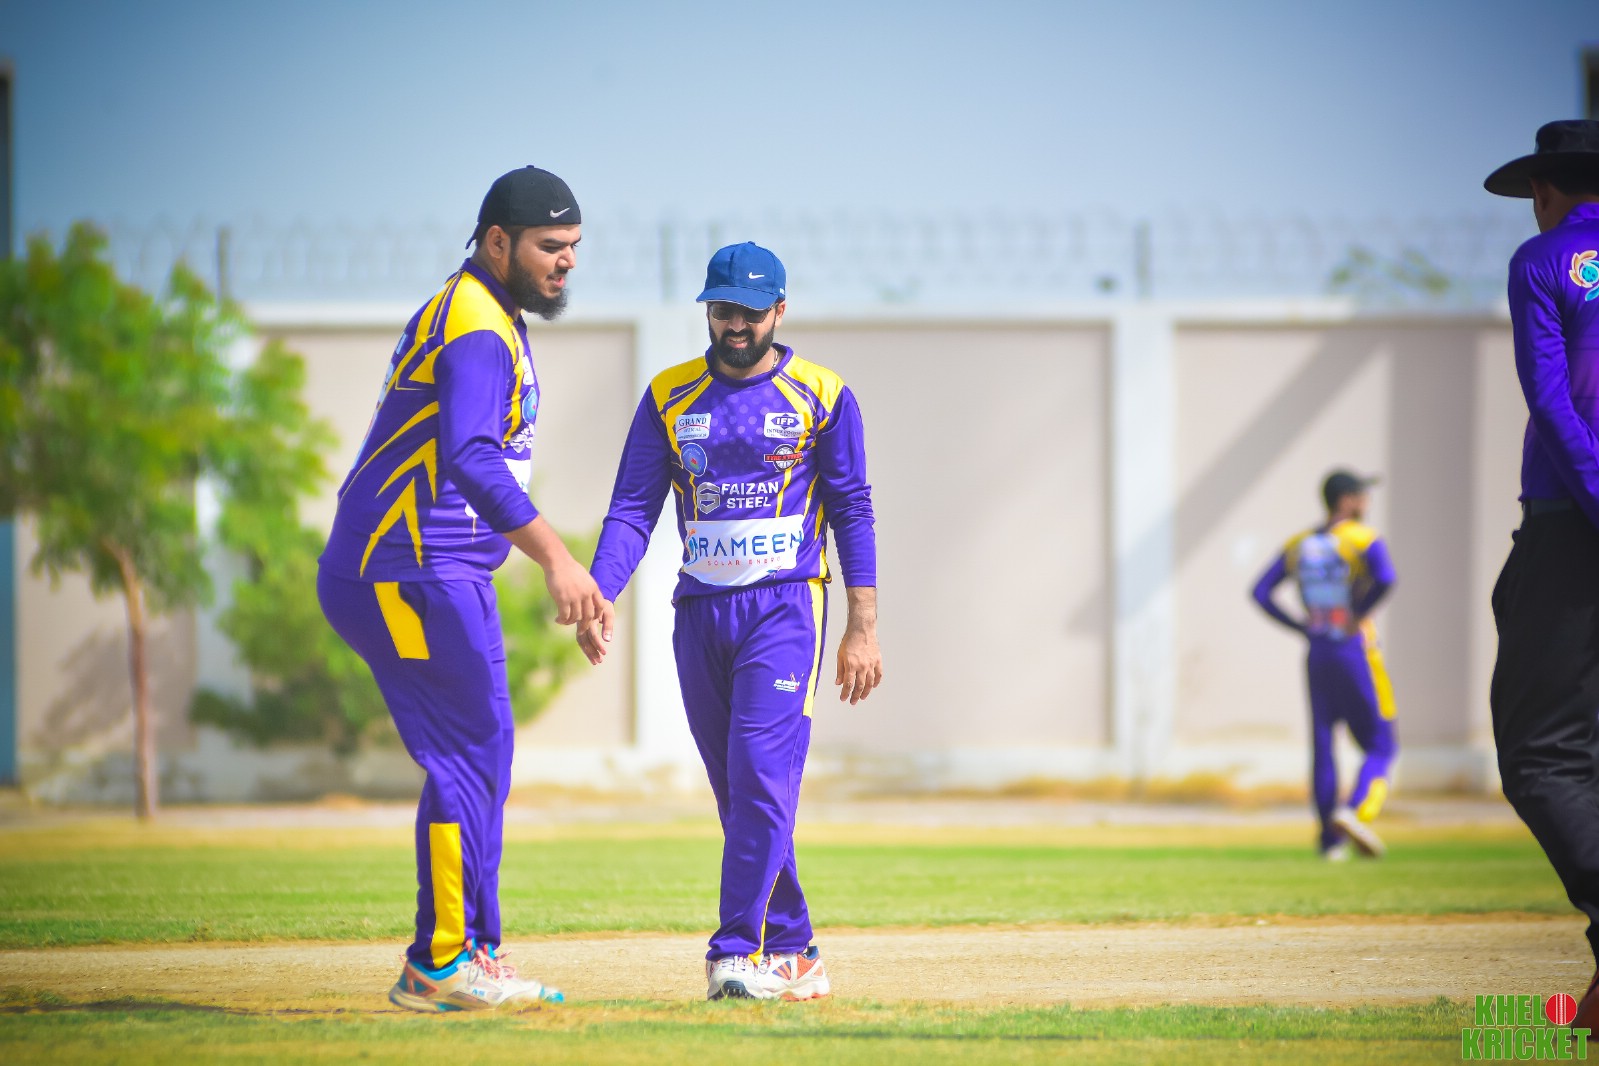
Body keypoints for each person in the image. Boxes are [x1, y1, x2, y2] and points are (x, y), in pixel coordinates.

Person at [317, 166, 609, 1011]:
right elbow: (473, 457)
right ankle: (440, 962)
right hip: (403, 570)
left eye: (574, 247)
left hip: (443, 572)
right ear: (497, 241)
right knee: (463, 756)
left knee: (485, 752)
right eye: (550, 246)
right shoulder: (476, 321)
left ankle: (473, 951)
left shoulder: (487, 313)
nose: (566, 261)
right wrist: (557, 560)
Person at [576, 241, 882, 1001]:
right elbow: (632, 507)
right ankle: (795, 950)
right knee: (739, 793)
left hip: (786, 607)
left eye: (750, 311)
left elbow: (852, 508)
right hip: (700, 612)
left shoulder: (823, 394)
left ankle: (734, 953)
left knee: (759, 776)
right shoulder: (669, 395)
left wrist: (862, 625)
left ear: (779, 310)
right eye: (722, 310)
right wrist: (601, 589)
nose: (735, 325)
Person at [1484, 119, 1599, 1030]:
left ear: (1542, 188)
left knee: (1541, 752)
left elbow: (1551, 400)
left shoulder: (1543, 259)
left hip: (1572, 523)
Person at [1251, 470, 1398, 861]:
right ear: (1346, 500)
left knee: (1323, 742)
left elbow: (1260, 592)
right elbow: (1386, 578)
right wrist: (1358, 614)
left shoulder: (1300, 544)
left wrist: (1301, 627)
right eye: (1362, 495)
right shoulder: (1362, 539)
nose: (1366, 502)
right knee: (1382, 743)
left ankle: (1329, 842)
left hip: (1317, 649)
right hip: (1355, 648)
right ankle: (1355, 811)